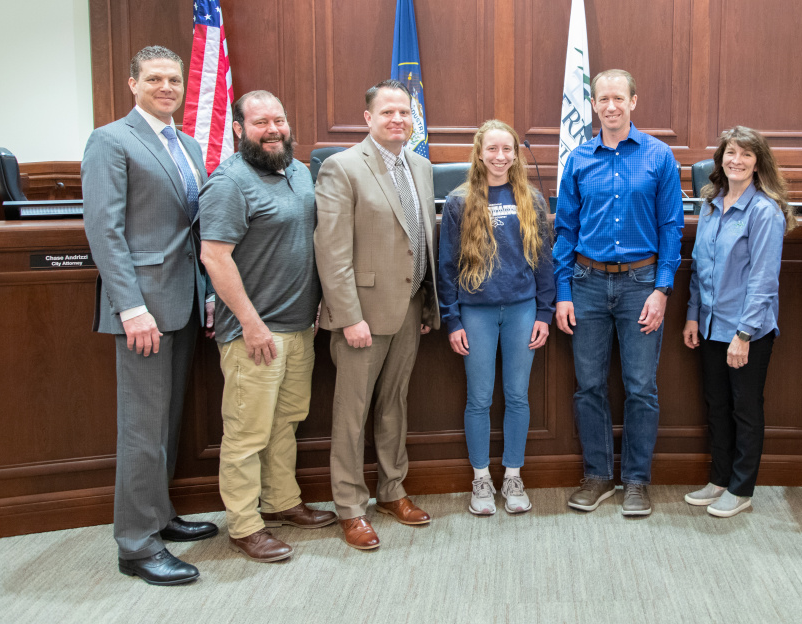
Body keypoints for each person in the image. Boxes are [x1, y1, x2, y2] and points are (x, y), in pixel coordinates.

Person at [82, 45, 217, 585]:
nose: (167, 87)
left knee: (166, 423)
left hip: (181, 301)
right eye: (155, 79)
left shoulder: (184, 142)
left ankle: (157, 517)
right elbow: (105, 233)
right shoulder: (111, 140)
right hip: (142, 309)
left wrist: (205, 291)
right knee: (142, 429)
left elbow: (195, 228)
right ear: (132, 83)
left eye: (175, 80)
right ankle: (135, 546)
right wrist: (131, 307)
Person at [200, 90, 336, 563]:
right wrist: (250, 323)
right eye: (260, 122)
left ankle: (281, 502)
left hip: (301, 326)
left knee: (286, 422)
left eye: (278, 119)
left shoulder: (300, 172)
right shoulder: (230, 183)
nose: (273, 129)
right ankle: (243, 524)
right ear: (240, 128)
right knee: (246, 432)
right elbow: (214, 256)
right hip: (255, 333)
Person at [314, 79, 441, 550]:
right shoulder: (341, 168)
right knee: (352, 413)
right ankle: (350, 507)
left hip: (409, 309)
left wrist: (427, 303)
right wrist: (349, 316)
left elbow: (421, 239)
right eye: (387, 113)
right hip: (361, 315)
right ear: (368, 118)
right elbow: (331, 252)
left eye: (405, 113)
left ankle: (392, 490)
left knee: (394, 406)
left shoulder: (422, 167)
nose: (397, 120)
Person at [554, 68, 684, 517]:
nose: (611, 106)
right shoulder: (579, 159)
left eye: (618, 98)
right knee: (588, 385)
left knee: (641, 387)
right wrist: (563, 291)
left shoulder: (659, 156)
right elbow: (565, 229)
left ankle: (636, 480)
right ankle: (597, 476)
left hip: (641, 286)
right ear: (593, 104)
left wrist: (663, 289)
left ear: (633, 101)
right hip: (586, 285)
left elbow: (672, 227)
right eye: (602, 99)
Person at [438, 120, 556, 516]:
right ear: (479, 151)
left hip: (523, 310)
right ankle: (481, 480)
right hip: (476, 312)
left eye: (507, 149)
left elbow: (543, 261)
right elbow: (447, 267)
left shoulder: (532, 200)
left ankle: (512, 475)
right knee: (480, 398)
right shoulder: (459, 200)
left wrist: (544, 311)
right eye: (492, 149)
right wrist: (452, 320)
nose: (500, 157)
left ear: (516, 154)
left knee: (518, 396)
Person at [683, 126, 796, 518]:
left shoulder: (765, 211)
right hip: (711, 325)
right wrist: (692, 316)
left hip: (746, 331)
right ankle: (719, 478)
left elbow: (764, 280)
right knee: (716, 405)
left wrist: (744, 334)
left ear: (758, 162)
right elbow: (699, 267)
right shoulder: (711, 202)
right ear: (721, 159)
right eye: (731, 153)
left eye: (746, 155)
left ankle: (742, 487)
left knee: (744, 408)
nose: (737, 161)